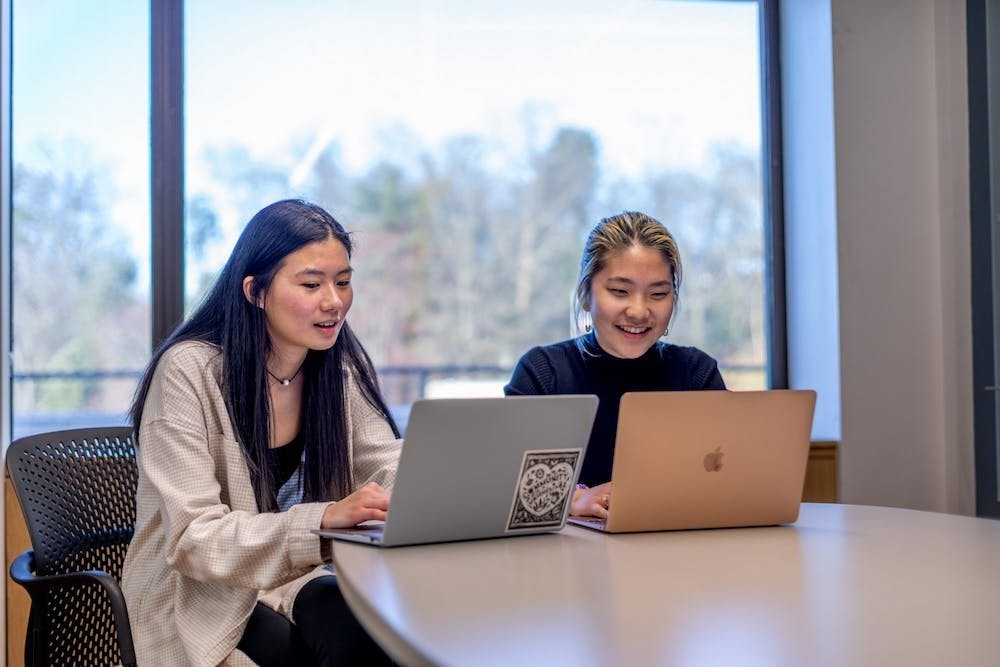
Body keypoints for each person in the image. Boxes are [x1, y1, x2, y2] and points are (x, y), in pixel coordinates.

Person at [122, 199, 401, 666]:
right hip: (195, 594)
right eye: (311, 284)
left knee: (373, 634)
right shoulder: (189, 371)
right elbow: (195, 538)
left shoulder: (334, 366)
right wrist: (324, 519)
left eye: (344, 282)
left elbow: (386, 462)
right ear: (255, 292)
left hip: (288, 578)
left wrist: (427, 494)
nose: (333, 301)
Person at [505, 211, 725, 519]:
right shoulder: (543, 373)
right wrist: (573, 500)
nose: (638, 311)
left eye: (658, 294)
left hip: (675, 549)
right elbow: (510, 485)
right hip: (566, 557)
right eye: (620, 291)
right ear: (585, 294)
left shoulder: (696, 374)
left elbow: (726, 480)